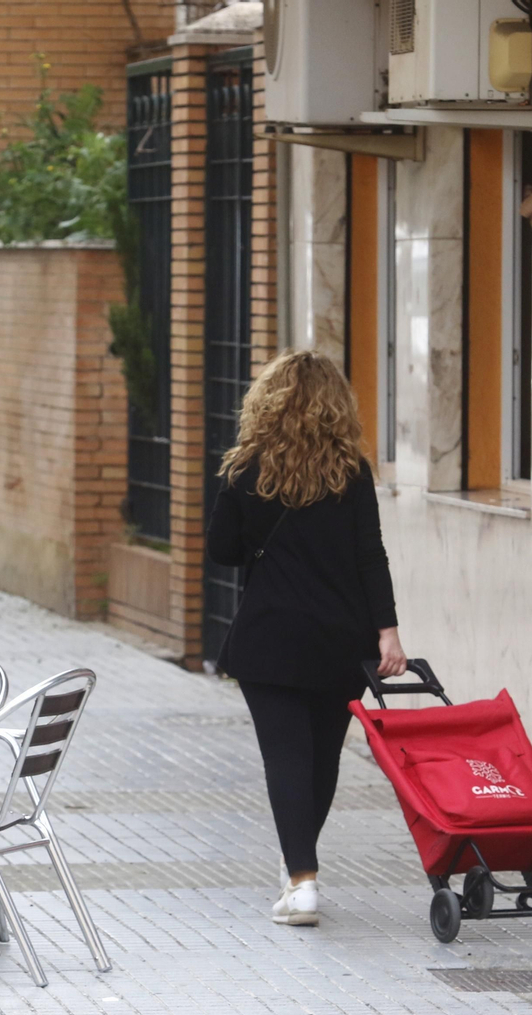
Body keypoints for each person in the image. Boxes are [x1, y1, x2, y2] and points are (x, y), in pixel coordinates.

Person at [205, 350, 407, 927]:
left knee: (285, 759)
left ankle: (303, 880)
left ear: (268, 402)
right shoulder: (352, 472)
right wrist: (387, 633)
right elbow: (372, 556)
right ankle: (301, 869)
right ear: (335, 404)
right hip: (341, 640)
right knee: (320, 760)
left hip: (270, 639)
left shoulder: (247, 469)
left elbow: (221, 550)